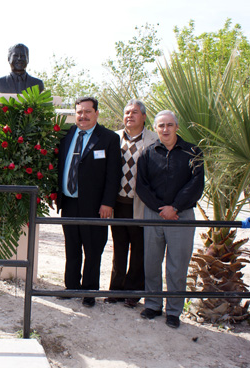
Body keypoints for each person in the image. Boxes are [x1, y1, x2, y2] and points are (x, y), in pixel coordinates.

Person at [136, 110, 204, 328]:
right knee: (151, 262)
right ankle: (153, 305)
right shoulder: (148, 153)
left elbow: (196, 184)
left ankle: (174, 311)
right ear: (155, 128)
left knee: (177, 265)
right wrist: (160, 208)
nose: (165, 129)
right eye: (161, 126)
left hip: (181, 216)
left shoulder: (193, 152)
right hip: (153, 214)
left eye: (169, 125)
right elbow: (141, 186)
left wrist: (174, 207)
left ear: (176, 126)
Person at [56, 96, 122, 307]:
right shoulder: (66, 135)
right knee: (72, 247)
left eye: (87, 112)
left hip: (96, 206)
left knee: (93, 249)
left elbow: (114, 174)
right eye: (79, 112)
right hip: (69, 202)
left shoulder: (108, 138)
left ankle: (89, 290)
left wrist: (108, 203)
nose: (82, 116)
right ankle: (71, 287)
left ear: (96, 113)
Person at [106, 100, 158, 308]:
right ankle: (115, 290)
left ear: (144, 116)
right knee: (119, 248)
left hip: (141, 204)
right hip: (117, 203)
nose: (130, 116)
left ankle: (133, 293)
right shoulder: (114, 138)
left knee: (139, 249)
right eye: (127, 112)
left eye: (135, 112)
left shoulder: (154, 140)